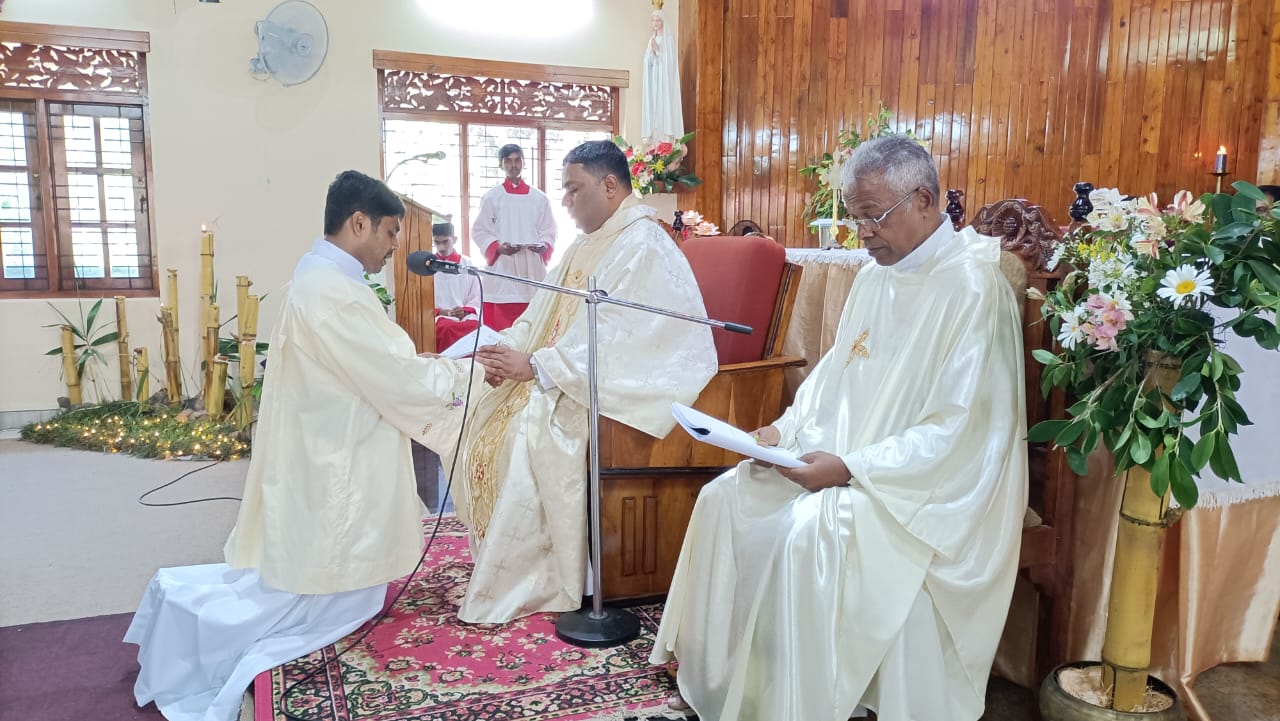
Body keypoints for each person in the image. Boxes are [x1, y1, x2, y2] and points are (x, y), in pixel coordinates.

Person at [650, 135, 1028, 721]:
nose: (862, 235)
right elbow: (835, 377)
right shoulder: (879, 274)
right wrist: (778, 434)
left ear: (924, 200)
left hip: (926, 490)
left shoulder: (975, 288)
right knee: (723, 497)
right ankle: (742, 687)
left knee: (810, 531)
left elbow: (964, 430)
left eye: (872, 217)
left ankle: (803, 706)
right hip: (844, 459)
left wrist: (851, 468)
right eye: (855, 219)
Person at [124, 171, 484, 721]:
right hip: (338, 454)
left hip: (326, 433)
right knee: (314, 601)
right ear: (358, 222)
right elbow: (394, 379)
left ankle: (183, 611)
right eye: (389, 232)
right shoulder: (333, 292)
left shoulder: (321, 278)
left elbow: (377, 366)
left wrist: (431, 368)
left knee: (306, 585)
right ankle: (192, 628)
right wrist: (473, 381)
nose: (394, 246)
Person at [448, 140, 719, 624]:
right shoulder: (590, 239)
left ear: (609, 185)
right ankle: (517, 566)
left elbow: (623, 336)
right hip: (570, 374)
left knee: (529, 430)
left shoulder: (641, 243)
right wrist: (507, 348)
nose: (566, 203)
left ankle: (547, 577)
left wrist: (534, 367)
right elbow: (544, 310)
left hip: (613, 390)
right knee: (486, 412)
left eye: (573, 190)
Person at [471, 143, 557, 330]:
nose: (513, 165)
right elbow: (479, 230)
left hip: (531, 268)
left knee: (532, 328)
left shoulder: (539, 198)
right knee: (502, 332)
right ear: (501, 165)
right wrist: (497, 247)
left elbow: (549, 230)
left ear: (524, 163)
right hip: (503, 271)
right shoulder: (492, 197)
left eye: (517, 160)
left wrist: (543, 245)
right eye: (508, 161)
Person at [430, 221, 482, 350]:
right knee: (446, 328)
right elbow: (423, 299)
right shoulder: (429, 265)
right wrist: (441, 311)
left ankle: (470, 367)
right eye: (437, 242)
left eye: (445, 241)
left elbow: (475, 296)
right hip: (439, 316)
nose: (441, 247)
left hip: (464, 314)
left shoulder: (467, 264)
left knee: (474, 327)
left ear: (454, 239)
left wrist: (464, 311)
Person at [642, 8, 683, 143]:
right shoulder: (651, 40)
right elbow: (648, 62)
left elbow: (669, 62)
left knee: (663, 105)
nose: (655, 23)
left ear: (663, 22)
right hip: (654, 78)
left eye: (658, 20)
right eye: (653, 20)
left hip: (664, 81)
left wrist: (657, 52)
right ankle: (655, 138)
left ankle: (666, 136)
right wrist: (652, 54)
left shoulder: (669, 39)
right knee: (654, 107)